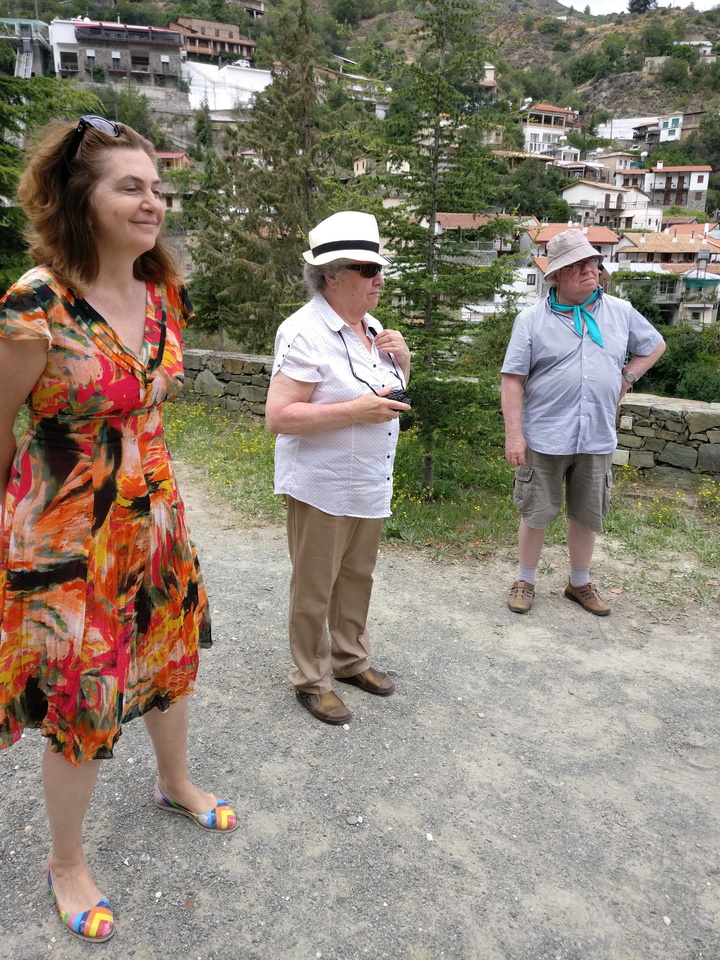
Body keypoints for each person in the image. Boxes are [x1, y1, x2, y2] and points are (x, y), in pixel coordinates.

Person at [0, 116, 237, 945]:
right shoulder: (35, 303)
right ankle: (66, 861)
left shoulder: (164, 291)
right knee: (84, 695)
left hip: (157, 516)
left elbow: (149, 401)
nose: (152, 203)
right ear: (79, 198)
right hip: (69, 538)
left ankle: (174, 782)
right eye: (129, 187)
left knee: (170, 656)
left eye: (157, 188)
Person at [265, 211, 411, 725]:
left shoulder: (373, 328)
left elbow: (388, 397)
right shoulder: (304, 332)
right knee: (314, 588)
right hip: (322, 483)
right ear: (332, 276)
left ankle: (350, 660)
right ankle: (311, 679)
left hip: (368, 479)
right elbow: (278, 416)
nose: (379, 279)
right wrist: (354, 411)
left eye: (379, 269)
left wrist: (404, 361)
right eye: (368, 270)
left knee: (356, 578)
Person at [501, 228, 666, 617]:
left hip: (596, 434)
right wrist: (514, 436)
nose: (590, 270)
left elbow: (655, 345)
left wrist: (626, 378)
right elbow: (512, 380)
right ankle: (525, 580)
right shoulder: (531, 320)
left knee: (587, 515)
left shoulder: (620, 311)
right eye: (578, 265)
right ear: (557, 275)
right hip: (544, 435)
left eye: (593, 262)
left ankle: (579, 582)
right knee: (536, 512)